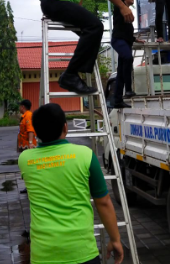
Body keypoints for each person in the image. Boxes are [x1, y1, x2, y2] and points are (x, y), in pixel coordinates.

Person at [19, 103, 124, 264]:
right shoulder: (85, 155)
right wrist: (115, 239)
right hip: (82, 252)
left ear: (37, 132)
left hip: (44, 255)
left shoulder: (25, 160)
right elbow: (103, 202)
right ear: (65, 128)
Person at [110, 0, 146, 108]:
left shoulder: (128, 15)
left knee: (121, 72)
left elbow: (126, 32)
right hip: (118, 41)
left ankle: (118, 100)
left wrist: (136, 39)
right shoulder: (119, 7)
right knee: (128, 58)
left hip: (125, 42)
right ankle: (129, 89)